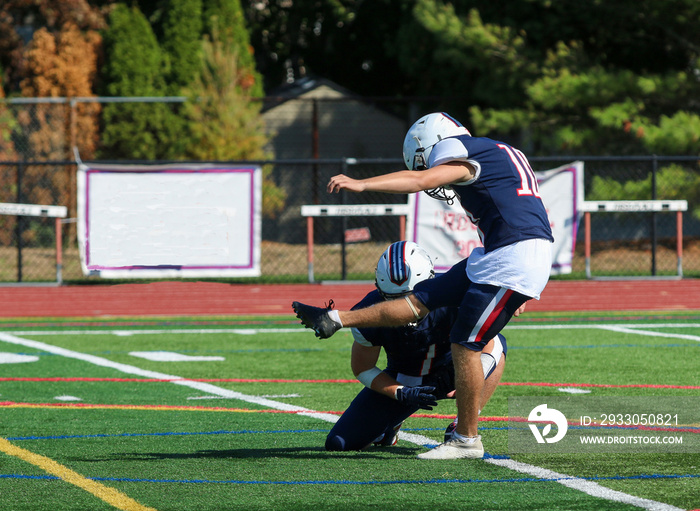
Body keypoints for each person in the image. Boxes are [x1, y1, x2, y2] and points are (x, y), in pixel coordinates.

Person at [293, 112, 553, 459]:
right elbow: (513, 211)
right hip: (502, 251)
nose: (426, 174)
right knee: (420, 301)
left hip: (513, 254)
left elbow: (421, 181)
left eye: (423, 163)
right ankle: (335, 319)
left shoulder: (461, 153)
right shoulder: (498, 151)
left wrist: (362, 184)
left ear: (432, 145)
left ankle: (466, 440)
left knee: (466, 342)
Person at [326, 240, 507, 453]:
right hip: (404, 379)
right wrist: (401, 392)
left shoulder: (454, 296)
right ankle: (390, 425)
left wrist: (471, 379)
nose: (401, 309)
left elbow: (495, 345)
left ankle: (465, 423)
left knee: (496, 345)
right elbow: (363, 368)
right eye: (392, 299)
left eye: (409, 298)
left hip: (455, 372)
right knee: (339, 443)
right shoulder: (369, 310)